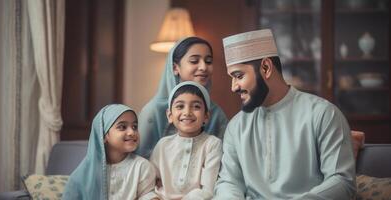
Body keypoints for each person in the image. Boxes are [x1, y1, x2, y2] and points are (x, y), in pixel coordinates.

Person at [213, 29, 356, 199]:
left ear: (266, 68)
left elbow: (341, 182)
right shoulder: (236, 126)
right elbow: (229, 182)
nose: (234, 87)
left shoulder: (323, 114)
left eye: (239, 76)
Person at [136, 37, 228, 158]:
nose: (204, 67)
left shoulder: (216, 113)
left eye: (208, 61)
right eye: (194, 61)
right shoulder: (153, 111)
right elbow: (139, 161)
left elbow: (225, 160)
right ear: (175, 68)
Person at [63, 104, 158, 200]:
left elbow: (147, 195)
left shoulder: (142, 166)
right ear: (104, 135)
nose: (131, 132)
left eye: (134, 127)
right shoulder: (86, 171)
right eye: (122, 127)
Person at [150, 81, 222, 199]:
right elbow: (149, 183)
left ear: (206, 116)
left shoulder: (212, 144)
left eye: (196, 107)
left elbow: (208, 190)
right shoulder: (163, 145)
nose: (187, 112)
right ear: (170, 116)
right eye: (180, 106)